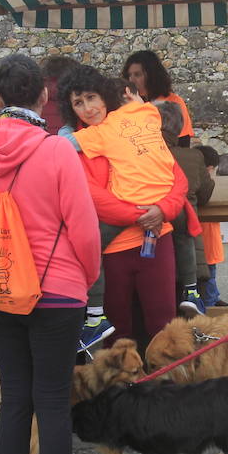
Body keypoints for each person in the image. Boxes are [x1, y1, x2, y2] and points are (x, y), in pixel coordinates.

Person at [0, 54, 100, 454]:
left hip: (0, 288)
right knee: (53, 402)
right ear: (43, 97)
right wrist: (85, 277)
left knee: (16, 399)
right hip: (57, 288)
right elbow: (82, 227)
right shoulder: (58, 150)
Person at [60, 65, 192, 350]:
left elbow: (177, 179)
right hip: (115, 247)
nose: (88, 108)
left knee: (163, 325)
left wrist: (163, 211)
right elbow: (92, 197)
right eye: (78, 103)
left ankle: (165, 390)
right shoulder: (83, 143)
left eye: (92, 98)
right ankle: (123, 392)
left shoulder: (134, 126)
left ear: (105, 96)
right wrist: (145, 214)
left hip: (157, 236)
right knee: (119, 332)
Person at [156, 100, 211, 314]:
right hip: (190, 258)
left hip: (153, 250)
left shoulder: (142, 158)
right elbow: (206, 194)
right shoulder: (193, 157)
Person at [123, 50, 193, 145]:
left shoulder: (173, 101)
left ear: (152, 75)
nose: (131, 80)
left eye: (137, 75)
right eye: (129, 75)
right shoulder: (125, 102)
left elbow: (183, 140)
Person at [196, 144, 228, 308]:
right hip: (206, 243)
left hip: (205, 240)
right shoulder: (205, 185)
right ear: (209, 169)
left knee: (209, 276)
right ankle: (210, 304)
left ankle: (214, 298)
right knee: (208, 276)